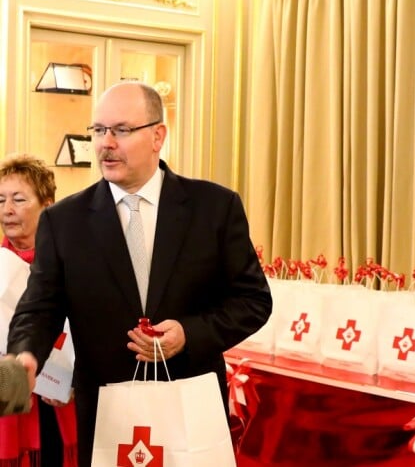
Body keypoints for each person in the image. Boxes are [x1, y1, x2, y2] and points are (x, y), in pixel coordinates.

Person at [6, 81, 272, 467]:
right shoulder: (63, 222)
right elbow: (39, 308)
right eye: (98, 131)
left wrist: (189, 333)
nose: (105, 143)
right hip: (105, 414)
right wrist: (26, 355)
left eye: (121, 130)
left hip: (191, 407)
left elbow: (253, 301)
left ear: (157, 136)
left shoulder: (214, 208)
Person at [0, 154, 77, 466]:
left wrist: (72, 382)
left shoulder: (73, 263)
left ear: (47, 204)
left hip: (58, 402)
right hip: (7, 402)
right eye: (1, 199)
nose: (7, 210)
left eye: (19, 199)